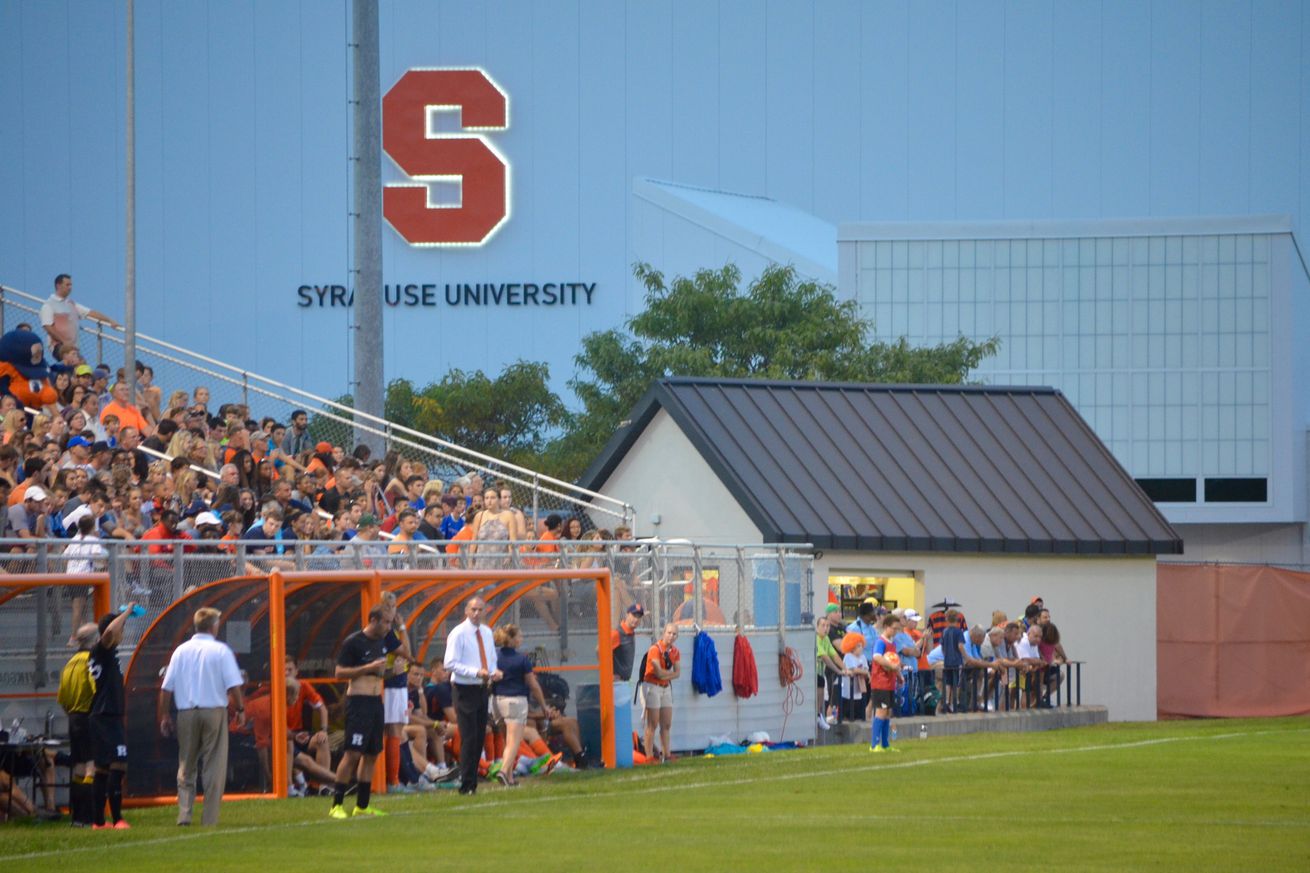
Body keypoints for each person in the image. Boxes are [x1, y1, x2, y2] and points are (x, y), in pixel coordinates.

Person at [158, 607, 245, 826]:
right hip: (214, 711)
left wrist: (164, 715)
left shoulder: (181, 650)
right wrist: (241, 709)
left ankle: (184, 814)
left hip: (186, 712)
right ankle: (209, 819)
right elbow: (234, 685)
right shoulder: (221, 650)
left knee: (186, 764)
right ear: (214, 625)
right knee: (214, 765)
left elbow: (166, 688)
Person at [329, 605, 390, 818]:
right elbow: (339, 673)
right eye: (386, 622)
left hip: (375, 702)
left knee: (372, 753)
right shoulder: (353, 642)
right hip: (358, 703)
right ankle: (336, 805)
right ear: (373, 620)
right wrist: (368, 668)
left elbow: (379, 673)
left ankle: (362, 806)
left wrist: (389, 672)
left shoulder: (382, 642)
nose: (388, 627)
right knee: (352, 753)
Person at [442, 597, 501, 795]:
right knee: (468, 736)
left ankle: (472, 781)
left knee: (479, 736)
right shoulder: (458, 633)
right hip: (464, 687)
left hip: (482, 687)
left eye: (480, 610)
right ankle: (466, 783)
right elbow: (450, 663)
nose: (477, 613)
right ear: (466, 611)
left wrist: (494, 671)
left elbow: (490, 659)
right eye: (473, 609)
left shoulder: (486, 632)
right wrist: (475, 672)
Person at [88, 604, 139, 829]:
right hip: (106, 716)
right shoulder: (102, 649)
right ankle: (117, 818)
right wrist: (125, 613)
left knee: (102, 768)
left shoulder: (107, 653)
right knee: (118, 765)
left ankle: (99, 821)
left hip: (104, 716)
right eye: (122, 628)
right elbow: (109, 632)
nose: (122, 632)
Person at [490, 624, 556, 786]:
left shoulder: (494, 656)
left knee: (507, 741)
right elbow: (533, 685)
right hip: (515, 701)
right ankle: (504, 771)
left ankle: (510, 777)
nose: (521, 639)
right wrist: (543, 706)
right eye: (519, 636)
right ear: (511, 639)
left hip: (497, 701)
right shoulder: (521, 659)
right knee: (514, 741)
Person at [57, 622, 99, 827]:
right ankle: (89, 816)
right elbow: (96, 690)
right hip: (87, 716)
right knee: (91, 766)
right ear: (96, 640)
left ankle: (77, 817)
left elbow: (62, 698)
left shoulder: (70, 663)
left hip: (72, 718)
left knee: (78, 767)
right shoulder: (91, 661)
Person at [39, 274, 121, 349]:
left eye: (71, 285)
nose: (70, 287)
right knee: (77, 363)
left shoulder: (71, 304)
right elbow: (47, 327)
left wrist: (110, 321)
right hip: (58, 345)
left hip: (72, 346)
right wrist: (64, 342)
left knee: (82, 364)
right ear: (58, 286)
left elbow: (91, 313)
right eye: (67, 285)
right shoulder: (49, 305)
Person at [641, 622, 681, 763]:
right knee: (653, 724)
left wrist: (665, 676)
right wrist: (666, 675)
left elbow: (678, 673)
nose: (671, 636)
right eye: (669, 633)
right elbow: (657, 672)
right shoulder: (655, 649)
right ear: (663, 633)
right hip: (653, 686)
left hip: (665, 687)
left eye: (674, 634)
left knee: (666, 724)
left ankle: (667, 754)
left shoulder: (675, 652)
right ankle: (649, 756)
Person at [868, 613, 902, 753]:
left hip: (890, 682)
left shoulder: (892, 643)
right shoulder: (880, 642)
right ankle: (874, 744)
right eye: (894, 628)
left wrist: (899, 674)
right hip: (880, 682)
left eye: (897, 629)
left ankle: (885, 744)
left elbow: (894, 661)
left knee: (888, 712)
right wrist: (891, 666)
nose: (895, 631)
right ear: (886, 627)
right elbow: (876, 657)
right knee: (881, 712)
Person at [611, 603, 645, 682]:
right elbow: (600, 650)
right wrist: (609, 674)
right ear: (627, 615)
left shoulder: (631, 632)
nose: (636, 619)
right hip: (616, 683)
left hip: (624, 681)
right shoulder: (617, 633)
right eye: (634, 615)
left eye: (639, 617)